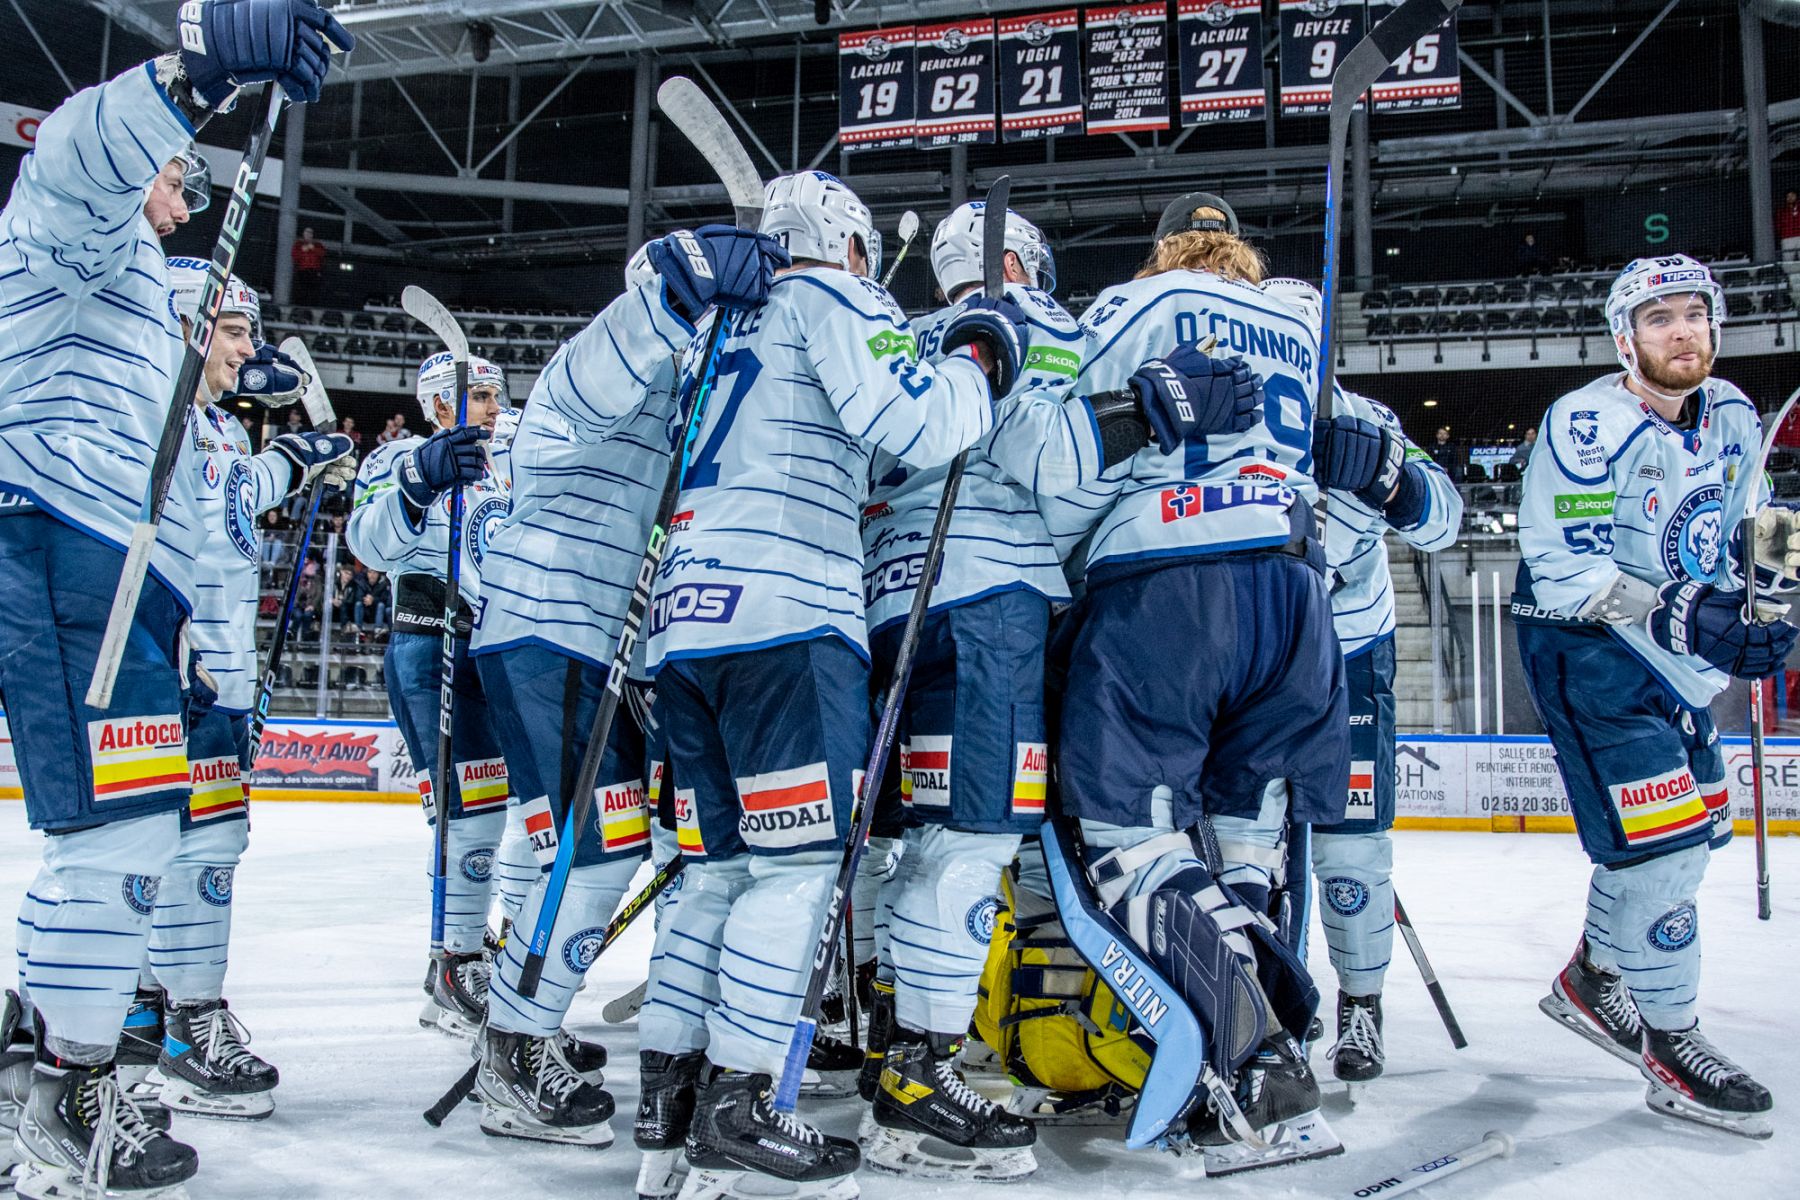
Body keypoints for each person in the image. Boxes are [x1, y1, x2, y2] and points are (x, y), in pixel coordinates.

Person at [0, 2, 350, 1193]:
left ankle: (44, 1069)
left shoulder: (137, 275)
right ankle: (63, 1092)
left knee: (133, 830)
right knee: (121, 834)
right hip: (59, 537)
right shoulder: (74, 227)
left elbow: (205, 461)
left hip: (113, 559)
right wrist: (193, 70)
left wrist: (276, 422)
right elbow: (68, 158)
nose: (186, 193)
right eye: (174, 174)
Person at [636, 172, 1026, 1200]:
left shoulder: (715, 331)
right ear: (851, 245)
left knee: (712, 875)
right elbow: (920, 428)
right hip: (787, 624)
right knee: (799, 873)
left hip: (684, 625)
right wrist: (978, 361)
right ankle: (742, 1105)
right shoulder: (835, 296)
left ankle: (666, 1106)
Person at [856, 202, 1218, 1181]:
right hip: (990, 608)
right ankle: (920, 1084)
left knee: (914, 849)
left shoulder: (893, 337)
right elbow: (1058, 478)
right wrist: (1150, 417)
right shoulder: (1042, 321)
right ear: (1024, 263)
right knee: (973, 845)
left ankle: (897, 1050)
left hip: (883, 609)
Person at [1039, 192, 1345, 1175]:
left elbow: (1054, 462)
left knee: (1128, 842)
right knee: (1246, 845)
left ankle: (1257, 1056)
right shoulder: (1300, 326)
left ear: (1164, 247)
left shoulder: (1141, 303)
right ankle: (1278, 1029)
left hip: (1170, 586)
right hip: (1298, 600)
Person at [468, 227, 781, 1149]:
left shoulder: (665, 391)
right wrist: (680, 288)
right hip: (551, 630)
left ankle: (519, 1028)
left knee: (600, 845)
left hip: (580, 639)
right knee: (591, 852)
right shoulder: (599, 356)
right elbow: (621, 348)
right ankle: (513, 1050)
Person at [1513, 253, 1794, 1140]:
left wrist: (1777, 595)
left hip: (1677, 661)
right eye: (1660, 317)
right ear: (1624, 337)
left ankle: (1595, 978)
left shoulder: (1736, 415)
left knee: (1696, 835)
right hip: (1590, 649)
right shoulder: (1587, 425)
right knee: (1665, 851)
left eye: (1695, 315)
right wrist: (1690, 616)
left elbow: (1765, 514)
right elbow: (1562, 568)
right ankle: (1673, 1044)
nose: (1683, 333)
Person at [118, 263, 353, 1122]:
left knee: (181, 847)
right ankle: (190, 1030)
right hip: (186, 664)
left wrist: (290, 462)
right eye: (234, 332)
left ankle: (143, 1013)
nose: (250, 352)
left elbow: (231, 511)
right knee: (203, 851)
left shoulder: (214, 430)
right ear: (185, 325)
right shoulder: (154, 413)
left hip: (221, 666)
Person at [1263, 278, 1463, 1085]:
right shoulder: (1224, 413)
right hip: (1261, 661)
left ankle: (1362, 1010)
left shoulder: (1369, 420)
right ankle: (1268, 1007)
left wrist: (1389, 479)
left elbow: (1443, 519)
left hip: (1348, 657)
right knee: (1251, 850)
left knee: (1352, 849)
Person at [346, 353, 514, 1042]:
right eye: (478, 395)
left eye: (497, 394)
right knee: (465, 818)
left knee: (501, 814)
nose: (494, 406)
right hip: (431, 642)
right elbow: (369, 543)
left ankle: (472, 951)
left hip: (497, 648)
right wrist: (420, 482)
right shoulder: (396, 458)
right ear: (438, 405)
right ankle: (453, 965)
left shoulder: (504, 464)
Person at [292, 225, 326, 305]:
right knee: (302, 290)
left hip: (314, 272)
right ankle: (300, 307)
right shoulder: (298, 244)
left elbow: (323, 254)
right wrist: (303, 250)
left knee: (313, 291)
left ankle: (312, 307)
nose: (308, 234)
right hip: (302, 271)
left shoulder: (317, 244)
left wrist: (313, 248)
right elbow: (294, 256)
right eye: (307, 232)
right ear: (303, 234)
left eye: (310, 232)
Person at [1777, 190, 1800, 262]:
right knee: (1787, 261)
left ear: (1796, 196)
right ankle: (1789, 273)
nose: (1790, 198)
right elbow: (1778, 225)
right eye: (1788, 196)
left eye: (1792, 195)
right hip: (1787, 238)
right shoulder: (1781, 211)